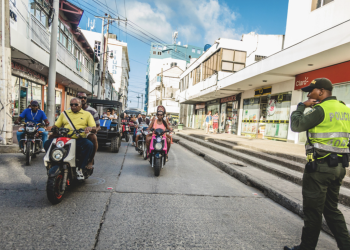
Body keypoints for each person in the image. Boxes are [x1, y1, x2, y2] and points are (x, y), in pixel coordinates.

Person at [285, 78, 350, 250]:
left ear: (321, 92)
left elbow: (297, 125)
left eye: (312, 90)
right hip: (339, 168)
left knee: (313, 212)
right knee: (331, 210)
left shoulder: (321, 109)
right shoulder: (345, 109)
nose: (308, 93)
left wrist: (301, 106)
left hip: (319, 168)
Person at [44, 98, 96, 180]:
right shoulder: (64, 113)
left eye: (76, 104)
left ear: (81, 105)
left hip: (78, 139)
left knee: (89, 145)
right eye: (71, 104)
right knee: (47, 143)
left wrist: (89, 128)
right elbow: (57, 125)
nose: (73, 106)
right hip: (65, 138)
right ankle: (52, 163)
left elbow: (93, 127)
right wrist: (51, 127)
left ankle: (80, 168)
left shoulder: (87, 114)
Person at [77, 92, 100, 169]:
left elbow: (98, 126)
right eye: (80, 97)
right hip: (72, 132)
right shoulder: (69, 110)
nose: (82, 99)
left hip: (86, 133)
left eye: (84, 98)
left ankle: (91, 159)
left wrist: (91, 129)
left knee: (93, 137)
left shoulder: (92, 111)